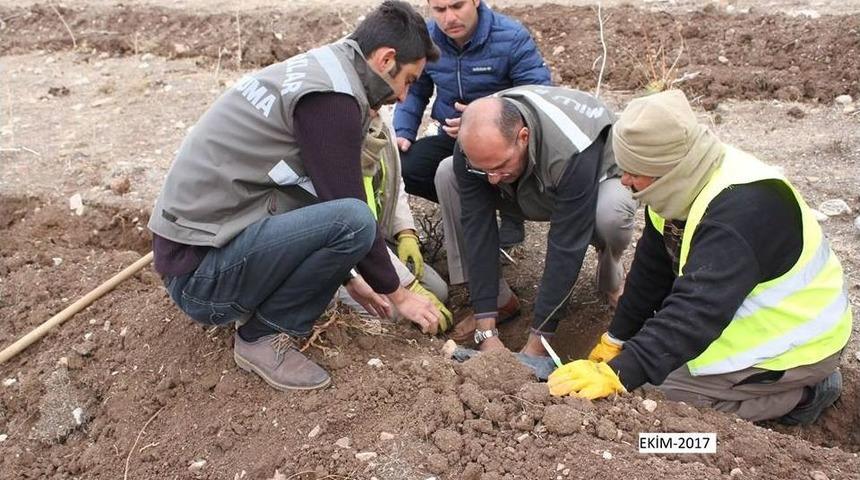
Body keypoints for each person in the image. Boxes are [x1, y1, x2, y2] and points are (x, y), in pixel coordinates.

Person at [147, 1, 444, 392]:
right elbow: (347, 209)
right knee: (353, 219)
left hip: (201, 251)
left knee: (346, 222)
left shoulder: (327, 69)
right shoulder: (332, 99)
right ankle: (262, 336)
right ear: (386, 59)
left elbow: (311, 192)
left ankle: (259, 309)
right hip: (201, 279)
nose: (404, 98)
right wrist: (397, 293)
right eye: (408, 81)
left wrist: (351, 276)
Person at [548, 90, 853, 425]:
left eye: (634, 171)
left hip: (799, 343)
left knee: (660, 396)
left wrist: (620, 373)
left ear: (668, 168)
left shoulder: (741, 212)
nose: (625, 180)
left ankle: (805, 395)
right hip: (738, 314)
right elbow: (652, 269)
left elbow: (697, 310)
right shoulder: (679, 185)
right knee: (647, 373)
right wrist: (617, 338)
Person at [437, 85, 637, 358]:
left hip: (591, 183)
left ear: (523, 137)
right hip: (529, 183)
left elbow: (566, 244)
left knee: (610, 212)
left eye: (498, 166)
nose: (492, 178)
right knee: (447, 172)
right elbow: (477, 227)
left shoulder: (572, 147)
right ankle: (498, 300)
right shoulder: (472, 146)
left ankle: (610, 275)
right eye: (485, 169)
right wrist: (487, 332)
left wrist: (538, 343)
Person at [393, 0, 552, 249]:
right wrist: (403, 131)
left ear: (475, 1)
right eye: (440, 10)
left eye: (457, 6)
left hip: (502, 138)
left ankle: (512, 211)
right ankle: (477, 205)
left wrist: (484, 115)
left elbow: (538, 94)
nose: (449, 18)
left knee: (509, 158)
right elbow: (415, 89)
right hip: (452, 137)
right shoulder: (425, 40)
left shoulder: (511, 37)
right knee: (405, 166)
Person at [335, 112, 452, 327]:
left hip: (375, 238)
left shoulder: (380, 120)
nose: (402, 96)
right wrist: (407, 287)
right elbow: (352, 230)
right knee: (394, 315)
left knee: (438, 292)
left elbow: (395, 184)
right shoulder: (335, 132)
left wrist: (406, 232)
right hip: (342, 254)